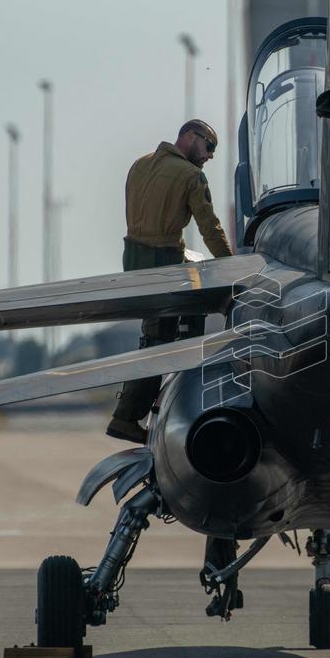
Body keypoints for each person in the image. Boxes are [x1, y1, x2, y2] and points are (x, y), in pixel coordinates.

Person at [107, 119, 234, 444]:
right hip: (163, 264)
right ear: (191, 138)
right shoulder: (191, 176)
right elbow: (210, 228)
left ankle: (138, 411)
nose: (209, 156)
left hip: (133, 262)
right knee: (162, 341)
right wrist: (233, 269)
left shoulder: (140, 164)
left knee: (156, 335)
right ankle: (131, 417)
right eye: (208, 148)